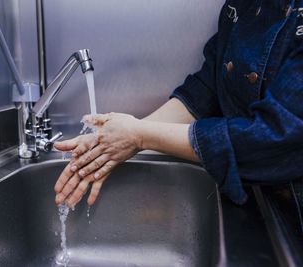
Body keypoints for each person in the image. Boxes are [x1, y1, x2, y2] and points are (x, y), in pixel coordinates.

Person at [53, 0, 303, 211]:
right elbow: (207, 89)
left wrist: (139, 136)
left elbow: (276, 135)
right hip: (256, 200)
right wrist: (117, 137)